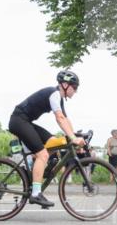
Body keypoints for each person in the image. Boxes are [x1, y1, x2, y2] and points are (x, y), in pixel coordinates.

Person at [8, 70, 85, 208]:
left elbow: (65, 119)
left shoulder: (58, 97)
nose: (76, 91)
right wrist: (72, 138)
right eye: (75, 87)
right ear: (65, 85)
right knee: (43, 154)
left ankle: (35, 172)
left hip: (25, 121)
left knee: (53, 141)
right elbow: (59, 118)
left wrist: (75, 135)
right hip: (18, 121)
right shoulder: (54, 94)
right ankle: (36, 193)